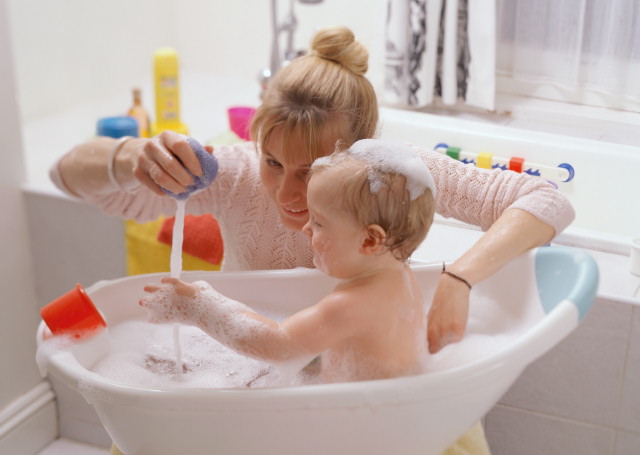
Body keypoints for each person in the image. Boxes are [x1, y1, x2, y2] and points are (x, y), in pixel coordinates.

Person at [51, 25, 573, 455]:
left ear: (363, 155)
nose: (287, 193)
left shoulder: (390, 178)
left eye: (313, 170)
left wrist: (460, 277)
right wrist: (130, 158)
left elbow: (548, 201)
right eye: (273, 162)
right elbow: (66, 175)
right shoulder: (232, 173)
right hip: (250, 391)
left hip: (371, 408)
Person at [139, 139, 436, 384]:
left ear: (369, 241)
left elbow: (278, 345)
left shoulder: (350, 304)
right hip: (383, 406)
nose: (307, 228)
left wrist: (200, 308)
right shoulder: (400, 277)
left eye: (319, 223)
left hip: (352, 424)